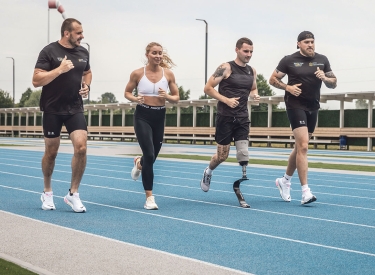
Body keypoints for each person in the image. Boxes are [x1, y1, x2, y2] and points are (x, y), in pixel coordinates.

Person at [269, 31, 337, 205]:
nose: (310, 44)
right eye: (306, 42)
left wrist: (325, 78)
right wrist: (288, 87)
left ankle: (284, 180)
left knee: (300, 147)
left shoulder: (323, 59)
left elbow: (334, 82)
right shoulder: (288, 60)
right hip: (295, 105)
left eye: (312, 41)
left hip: (313, 106)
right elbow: (272, 79)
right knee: (304, 146)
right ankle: (305, 191)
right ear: (298, 44)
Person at [32, 18, 92, 212]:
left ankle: (73, 193)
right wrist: (59, 69)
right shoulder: (49, 51)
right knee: (52, 152)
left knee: (81, 147)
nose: (82, 36)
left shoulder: (83, 52)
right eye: (78, 33)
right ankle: (47, 192)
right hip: (52, 109)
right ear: (67, 33)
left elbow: (88, 72)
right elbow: (36, 80)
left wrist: (87, 86)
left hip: (74, 107)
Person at [200, 37, 260, 199]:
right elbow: (208, 88)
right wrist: (226, 100)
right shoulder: (226, 67)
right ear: (237, 50)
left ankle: (243, 175)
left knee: (243, 152)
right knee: (222, 156)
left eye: (251, 52)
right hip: (225, 117)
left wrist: (255, 95)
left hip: (242, 117)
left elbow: (253, 88)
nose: (249, 54)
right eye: (246, 51)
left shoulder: (252, 71)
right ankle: (209, 171)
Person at [124, 42, 179, 210]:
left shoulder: (168, 74)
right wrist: (135, 99)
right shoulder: (137, 73)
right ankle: (149, 197)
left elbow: (176, 97)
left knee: (151, 157)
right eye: (154, 53)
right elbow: (127, 92)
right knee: (149, 152)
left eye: (160, 53)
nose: (157, 56)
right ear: (147, 54)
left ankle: (139, 163)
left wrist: (167, 96)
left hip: (159, 116)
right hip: (143, 115)